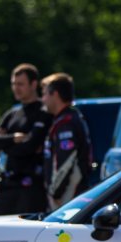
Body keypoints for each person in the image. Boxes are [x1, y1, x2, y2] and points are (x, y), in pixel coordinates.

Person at [0, 63, 53, 215]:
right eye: (14, 84)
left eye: (20, 84)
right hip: (7, 186)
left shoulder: (44, 111)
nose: (16, 88)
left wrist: (4, 144)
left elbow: (29, 147)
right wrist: (14, 139)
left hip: (31, 188)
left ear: (33, 84)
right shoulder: (13, 113)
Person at [41, 73, 92, 211]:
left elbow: (65, 162)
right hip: (67, 196)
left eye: (45, 94)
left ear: (55, 94)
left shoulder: (66, 123)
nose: (43, 99)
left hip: (67, 199)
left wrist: (55, 192)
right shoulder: (66, 119)